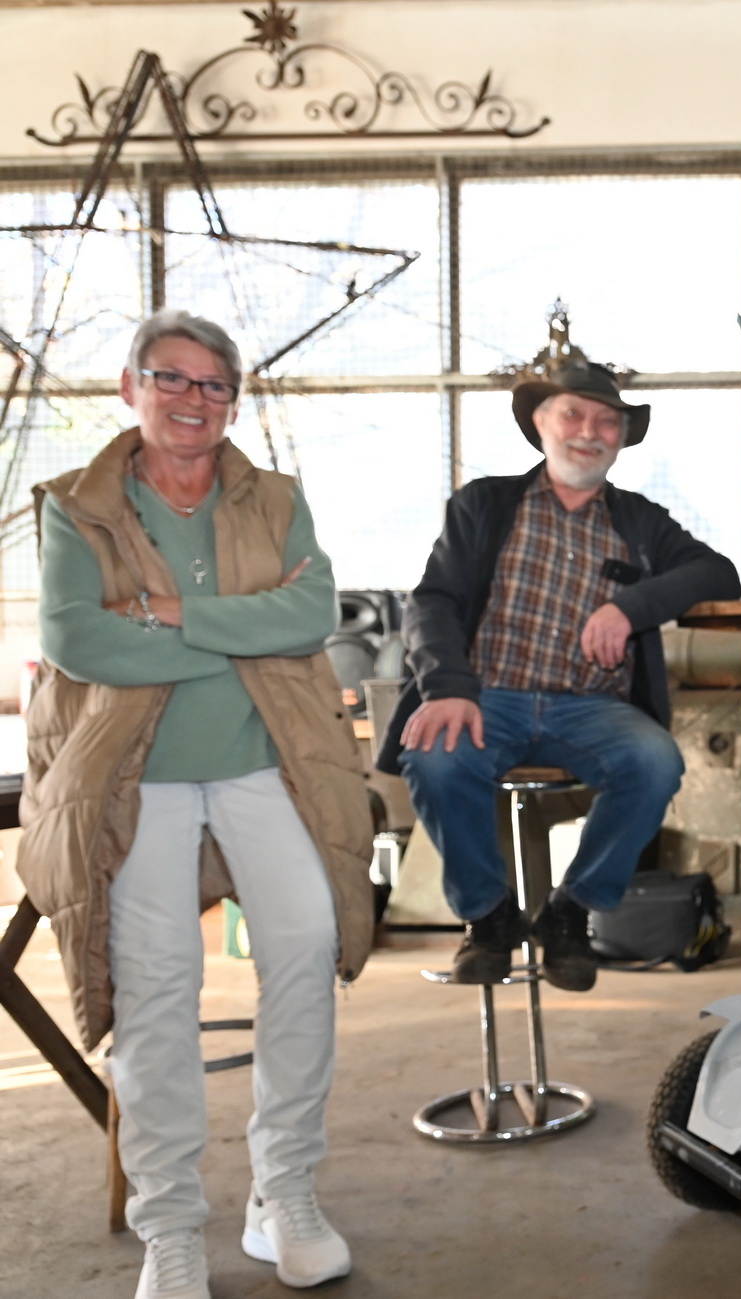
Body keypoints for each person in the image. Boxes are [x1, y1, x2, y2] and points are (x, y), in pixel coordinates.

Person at [21, 310, 374, 1299]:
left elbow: (312, 615)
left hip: (265, 761)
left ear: (234, 401)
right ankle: (171, 1226)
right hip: (142, 777)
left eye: (214, 385)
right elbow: (81, 641)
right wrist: (243, 631)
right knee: (158, 989)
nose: (192, 400)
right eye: (171, 379)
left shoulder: (274, 498)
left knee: (305, 944)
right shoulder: (75, 506)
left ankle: (283, 1197)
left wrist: (170, 612)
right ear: (130, 388)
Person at [377, 359, 740, 993]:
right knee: (435, 759)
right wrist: (448, 690)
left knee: (654, 762)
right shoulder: (485, 504)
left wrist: (629, 607)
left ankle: (572, 910)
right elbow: (431, 602)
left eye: (608, 421)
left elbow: (717, 574)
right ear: (540, 424)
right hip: (488, 697)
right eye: (573, 414)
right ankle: (488, 917)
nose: (590, 432)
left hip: (591, 709)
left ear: (622, 438)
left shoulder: (640, 521)